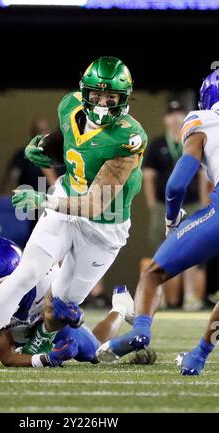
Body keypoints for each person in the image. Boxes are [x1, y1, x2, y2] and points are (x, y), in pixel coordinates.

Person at [0, 56, 148, 368]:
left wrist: (44, 200)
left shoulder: (128, 137)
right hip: (66, 198)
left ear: (125, 99)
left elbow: (95, 203)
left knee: (61, 306)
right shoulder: (69, 105)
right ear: (84, 91)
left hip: (103, 224)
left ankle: (119, 309)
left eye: (111, 97)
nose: (103, 103)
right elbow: (69, 142)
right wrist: (44, 147)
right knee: (25, 273)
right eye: (96, 94)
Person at [95, 69, 219, 376]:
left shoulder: (201, 121)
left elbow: (176, 185)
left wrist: (171, 217)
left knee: (153, 273)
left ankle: (141, 329)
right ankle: (198, 356)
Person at [0, 237, 156, 369]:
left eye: (18, 277)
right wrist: (45, 359)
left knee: (95, 354)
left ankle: (120, 307)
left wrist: (72, 315)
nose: (14, 287)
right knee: (28, 356)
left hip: (51, 325)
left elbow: (69, 311)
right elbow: (8, 356)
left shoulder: (46, 276)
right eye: (5, 284)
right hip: (22, 341)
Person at [142, 101, 208, 311]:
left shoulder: (194, 138)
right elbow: (148, 176)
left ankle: (191, 296)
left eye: (180, 113)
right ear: (165, 119)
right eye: (171, 114)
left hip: (192, 202)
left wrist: (206, 202)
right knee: (160, 250)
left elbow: (202, 174)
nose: (176, 118)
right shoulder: (157, 143)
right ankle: (158, 296)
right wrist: (152, 203)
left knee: (193, 249)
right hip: (164, 204)